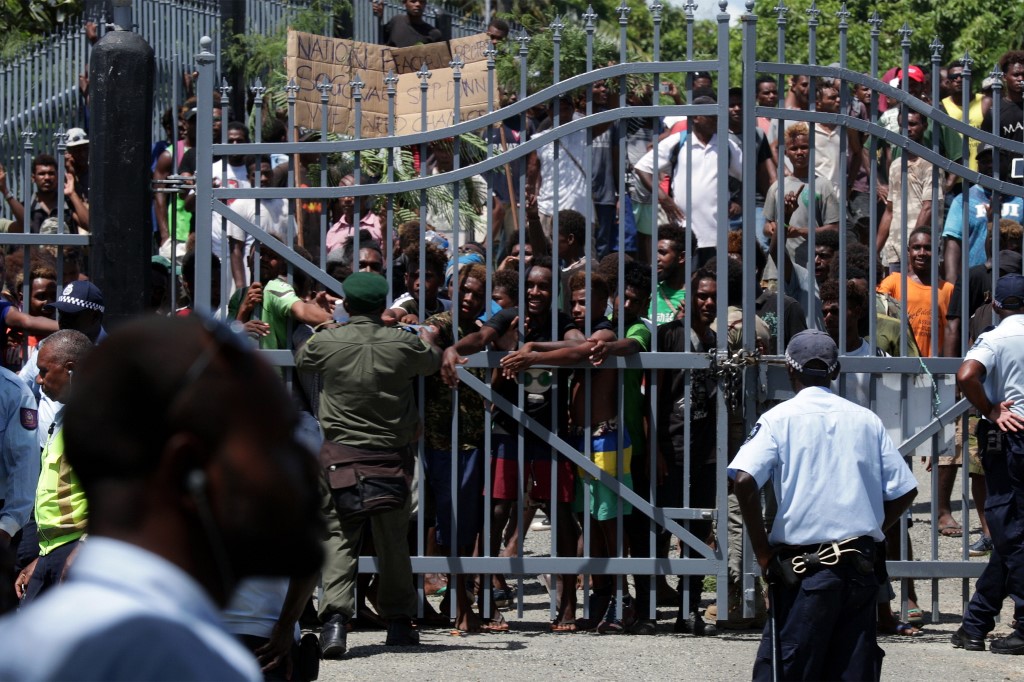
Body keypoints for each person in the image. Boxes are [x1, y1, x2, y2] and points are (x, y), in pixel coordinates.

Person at [0, 315, 325, 680]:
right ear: (187, 465)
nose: (299, 465)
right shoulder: (177, 661)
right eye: (269, 440)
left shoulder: (25, 646)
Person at [730, 330, 918, 680]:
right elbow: (905, 490)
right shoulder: (866, 420)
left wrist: (762, 553)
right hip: (859, 566)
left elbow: (743, 481)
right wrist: (873, 527)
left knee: (789, 667)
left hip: (805, 570)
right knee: (851, 667)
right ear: (835, 371)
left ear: (789, 369)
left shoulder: (778, 419)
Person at [295, 271, 440, 657]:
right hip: (390, 456)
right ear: (382, 306)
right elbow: (431, 361)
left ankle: (335, 624)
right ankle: (398, 623)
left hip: (340, 457)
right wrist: (420, 333)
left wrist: (330, 322)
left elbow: (303, 358)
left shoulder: (329, 341)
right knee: (393, 541)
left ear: (347, 303)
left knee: (339, 537)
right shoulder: (402, 344)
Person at [952, 273, 1024, 655]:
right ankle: (976, 623)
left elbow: (966, 375)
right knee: (1011, 531)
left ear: (995, 305)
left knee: (1010, 531)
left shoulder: (994, 338)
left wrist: (991, 409)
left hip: (1012, 437)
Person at [13, 331, 93, 602]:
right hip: (54, 550)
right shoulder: (65, 415)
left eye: (44, 371)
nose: (38, 379)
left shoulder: (98, 418)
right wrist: (42, 557)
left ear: (70, 369)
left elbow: (116, 492)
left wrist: (83, 547)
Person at [634, 95, 742, 263]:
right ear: (696, 118)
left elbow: (745, 175)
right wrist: (663, 198)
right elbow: (642, 167)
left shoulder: (727, 145)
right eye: (711, 115)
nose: (717, 119)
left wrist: (737, 200)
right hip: (684, 231)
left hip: (717, 233)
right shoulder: (678, 142)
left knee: (714, 283)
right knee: (686, 281)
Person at [878, 110, 943, 275]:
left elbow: (928, 208)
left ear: (925, 126)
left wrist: (911, 247)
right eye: (903, 126)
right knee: (894, 299)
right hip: (895, 249)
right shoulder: (896, 165)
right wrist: (874, 251)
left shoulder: (931, 164)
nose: (908, 129)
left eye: (913, 124)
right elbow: (889, 210)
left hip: (921, 251)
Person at [375, 0, 442, 47]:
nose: (418, 4)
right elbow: (378, 37)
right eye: (413, 1)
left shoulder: (434, 33)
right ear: (405, 3)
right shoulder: (396, 21)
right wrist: (379, 16)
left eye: (421, 1)